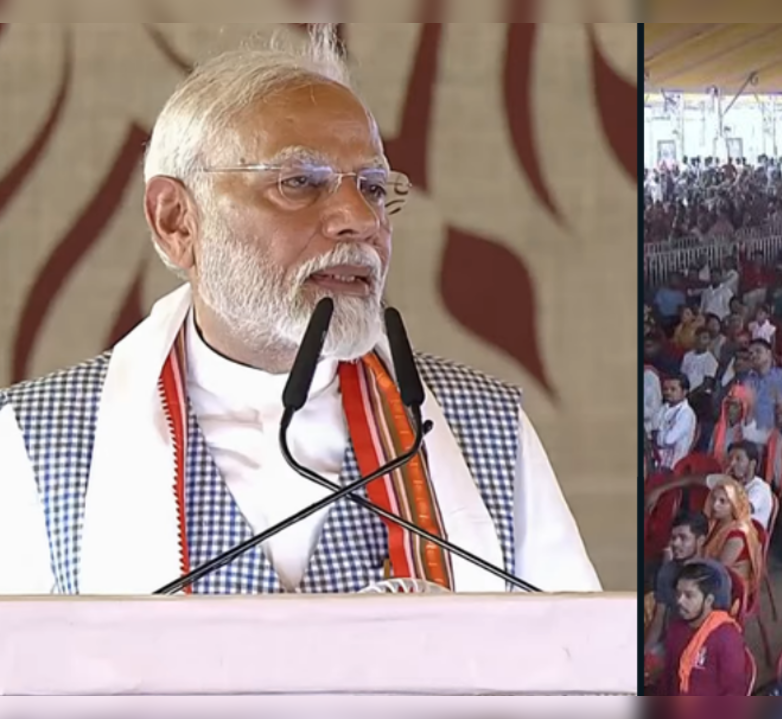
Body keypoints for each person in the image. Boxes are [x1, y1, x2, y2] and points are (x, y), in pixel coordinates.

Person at [0, 26, 597, 595]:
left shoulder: (485, 425)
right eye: (300, 183)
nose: (360, 220)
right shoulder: (36, 440)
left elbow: (578, 674)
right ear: (177, 221)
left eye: (371, 187)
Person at [655, 563, 753, 696]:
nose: (680, 601)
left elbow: (734, 693)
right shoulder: (676, 628)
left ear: (708, 600)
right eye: (678, 594)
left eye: (689, 596)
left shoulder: (726, 638)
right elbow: (668, 676)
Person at [644, 511, 732, 652]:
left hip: (703, 647)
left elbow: (720, 624)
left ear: (700, 541)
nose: (675, 543)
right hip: (671, 641)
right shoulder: (667, 571)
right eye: (673, 538)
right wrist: (645, 653)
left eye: (683, 538)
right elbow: (659, 619)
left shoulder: (716, 576)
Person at [645, 441, 775, 530]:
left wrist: (726, 484)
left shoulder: (760, 488)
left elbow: (741, 511)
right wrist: (659, 490)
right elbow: (691, 479)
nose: (732, 463)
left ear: (752, 464)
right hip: (722, 530)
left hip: (746, 538)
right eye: (730, 458)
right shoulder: (727, 478)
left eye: (738, 459)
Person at [703, 478, 765, 611]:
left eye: (722, 502)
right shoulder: (716, 522)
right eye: (713, 498)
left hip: (730, 593)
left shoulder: (738, 535)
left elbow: (718, 571)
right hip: (712, 578)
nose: (715, 505)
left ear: (734, 505)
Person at [656, 374, 698, 469]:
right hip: (658, 461)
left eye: (673, 389)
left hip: (674, 465)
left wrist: (657, 433)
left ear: (684, 392)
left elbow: (668, 440)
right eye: (665, 389)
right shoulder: (664, 408)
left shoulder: (686, 413)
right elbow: (651, 431)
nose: (668, 392)